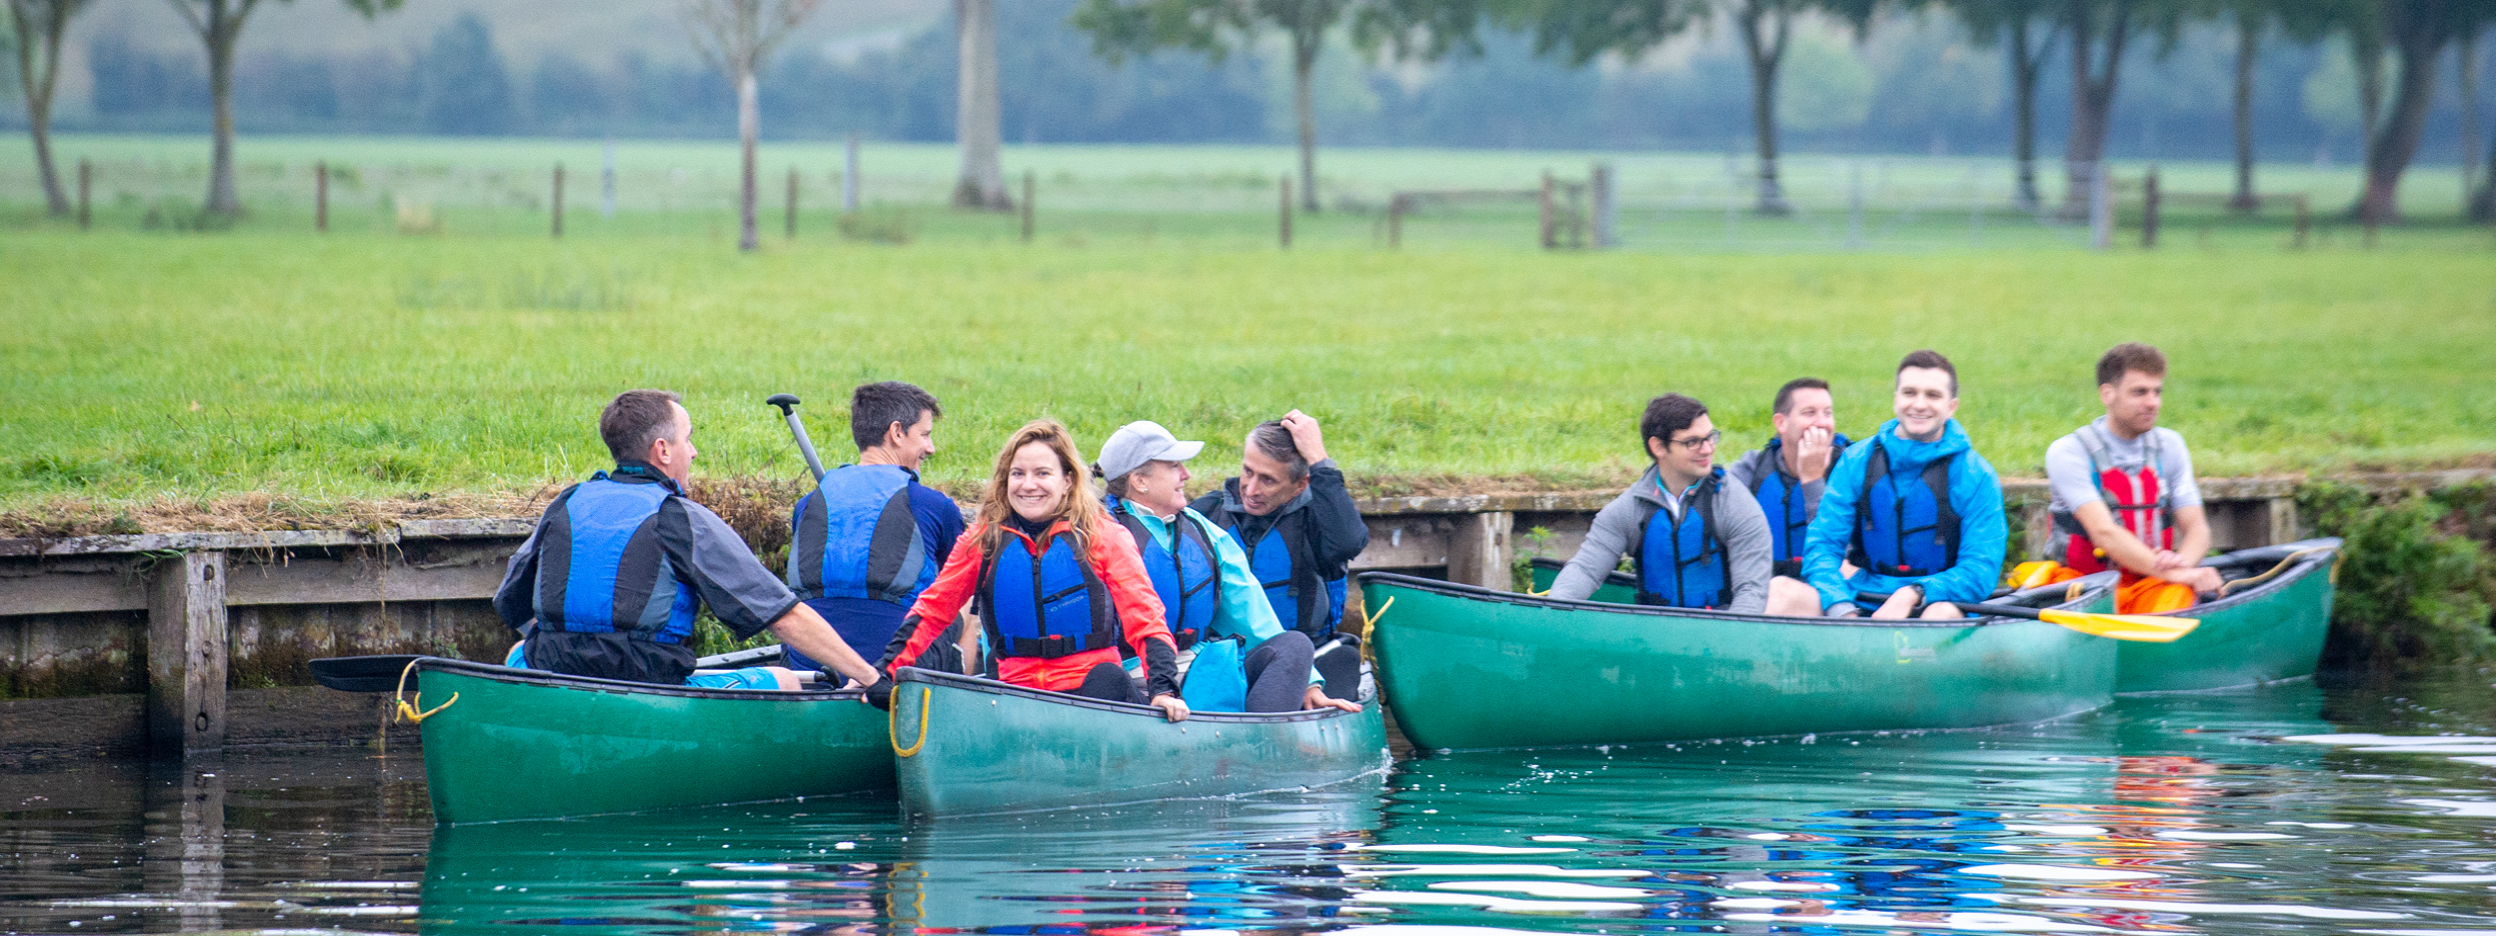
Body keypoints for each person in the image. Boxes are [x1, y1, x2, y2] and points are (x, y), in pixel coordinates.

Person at [493, 389, 887, 692]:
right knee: (786, 680)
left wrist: (568, 649)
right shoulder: (680, 517)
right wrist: (869, 677)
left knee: (516, 656)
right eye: (688, 439)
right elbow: (784, 616)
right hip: (648, 683)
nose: (694, 452)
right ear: (662, 450)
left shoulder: (567, 502)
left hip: (553, 666)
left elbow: (509, 600)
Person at [876, 419, 1188, 721]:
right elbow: (933, 611)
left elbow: (1145, 618)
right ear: (1005, 480)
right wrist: (885, 671)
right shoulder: (983, 541)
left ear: (1067, 480)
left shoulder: (1104, 536)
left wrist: (1164, 690)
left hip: (1094, 693)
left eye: (1042, 473)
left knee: (1108, 677)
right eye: (1018, 474)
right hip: (1015, 695)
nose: (1028, 485)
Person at [1095, 420, 1362, 713]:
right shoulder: (1092, 533)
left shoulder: (1204, 531)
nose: (1187, 474)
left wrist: (1306, 683)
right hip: (1126, 672)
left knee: (1295, 646)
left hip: (1199, 667)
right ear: (1139, 481)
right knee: (1103, 677)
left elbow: (1251, 613)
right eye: (1174, 466)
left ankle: (1258, 750)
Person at [1800, 350, 2008, 620]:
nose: (1919, 405)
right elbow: (1822, 546)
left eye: (1933, 395)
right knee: (1782, 590)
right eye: (1910, 393)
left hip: (1937, 601)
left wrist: (1914, 592)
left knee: (1940, 614)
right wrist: (1841, 609)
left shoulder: (1977, 475)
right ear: (1896, 399)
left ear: (1951, 406)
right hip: (1864, 598)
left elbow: (1980, 571)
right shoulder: (1856, 461)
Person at [782, 381, 966, 673]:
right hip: (895, 673)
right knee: (964, 602)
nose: (930, 448)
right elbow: (960, 585)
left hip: (811, 670)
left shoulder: (807, 505)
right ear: (896, 432)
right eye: (925, 435)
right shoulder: (935, 507)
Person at [1550, 393, 1773, 613]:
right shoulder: (1629, 509)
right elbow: (1585, 571)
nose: (1708, 449)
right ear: (1658, 447)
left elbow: (1751, 590)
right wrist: (1553, 609)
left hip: (1723, 632)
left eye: (1710, 437)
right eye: (1693, 442)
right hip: (1653, 635)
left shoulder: (1736, 504)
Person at [2045, 342, 2222, 613]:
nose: (2152, 403)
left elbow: (2197, 528)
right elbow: (2104, 533)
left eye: (2157, 392)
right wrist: (2174, 573)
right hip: (2082, 587)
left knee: (2178, 600)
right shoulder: (2069, 452)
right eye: (2139, 392)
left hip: (2151, 581)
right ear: (2107, 394)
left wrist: (2183, 566)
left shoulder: (2170, 445)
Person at [1188, 411, 1369, 639]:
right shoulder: (1208, 512)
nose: (1251, 490)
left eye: (1268, 480)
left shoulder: (1317, 521)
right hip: (1221, 656)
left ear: (1300, 485)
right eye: (1248, 472)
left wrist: (1318, 458)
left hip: (1303, 657)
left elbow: (1350, 542)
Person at [1725, 377, 1853, 616]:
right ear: (1781, 423)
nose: (1822, 423)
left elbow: (1841, 554)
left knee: (1780, 590)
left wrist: (1813, 480)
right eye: (1809, 413)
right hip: (1762, 596)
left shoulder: (1852, 468)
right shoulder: (1752, 470)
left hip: (1836, 596)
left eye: (1828, 413)